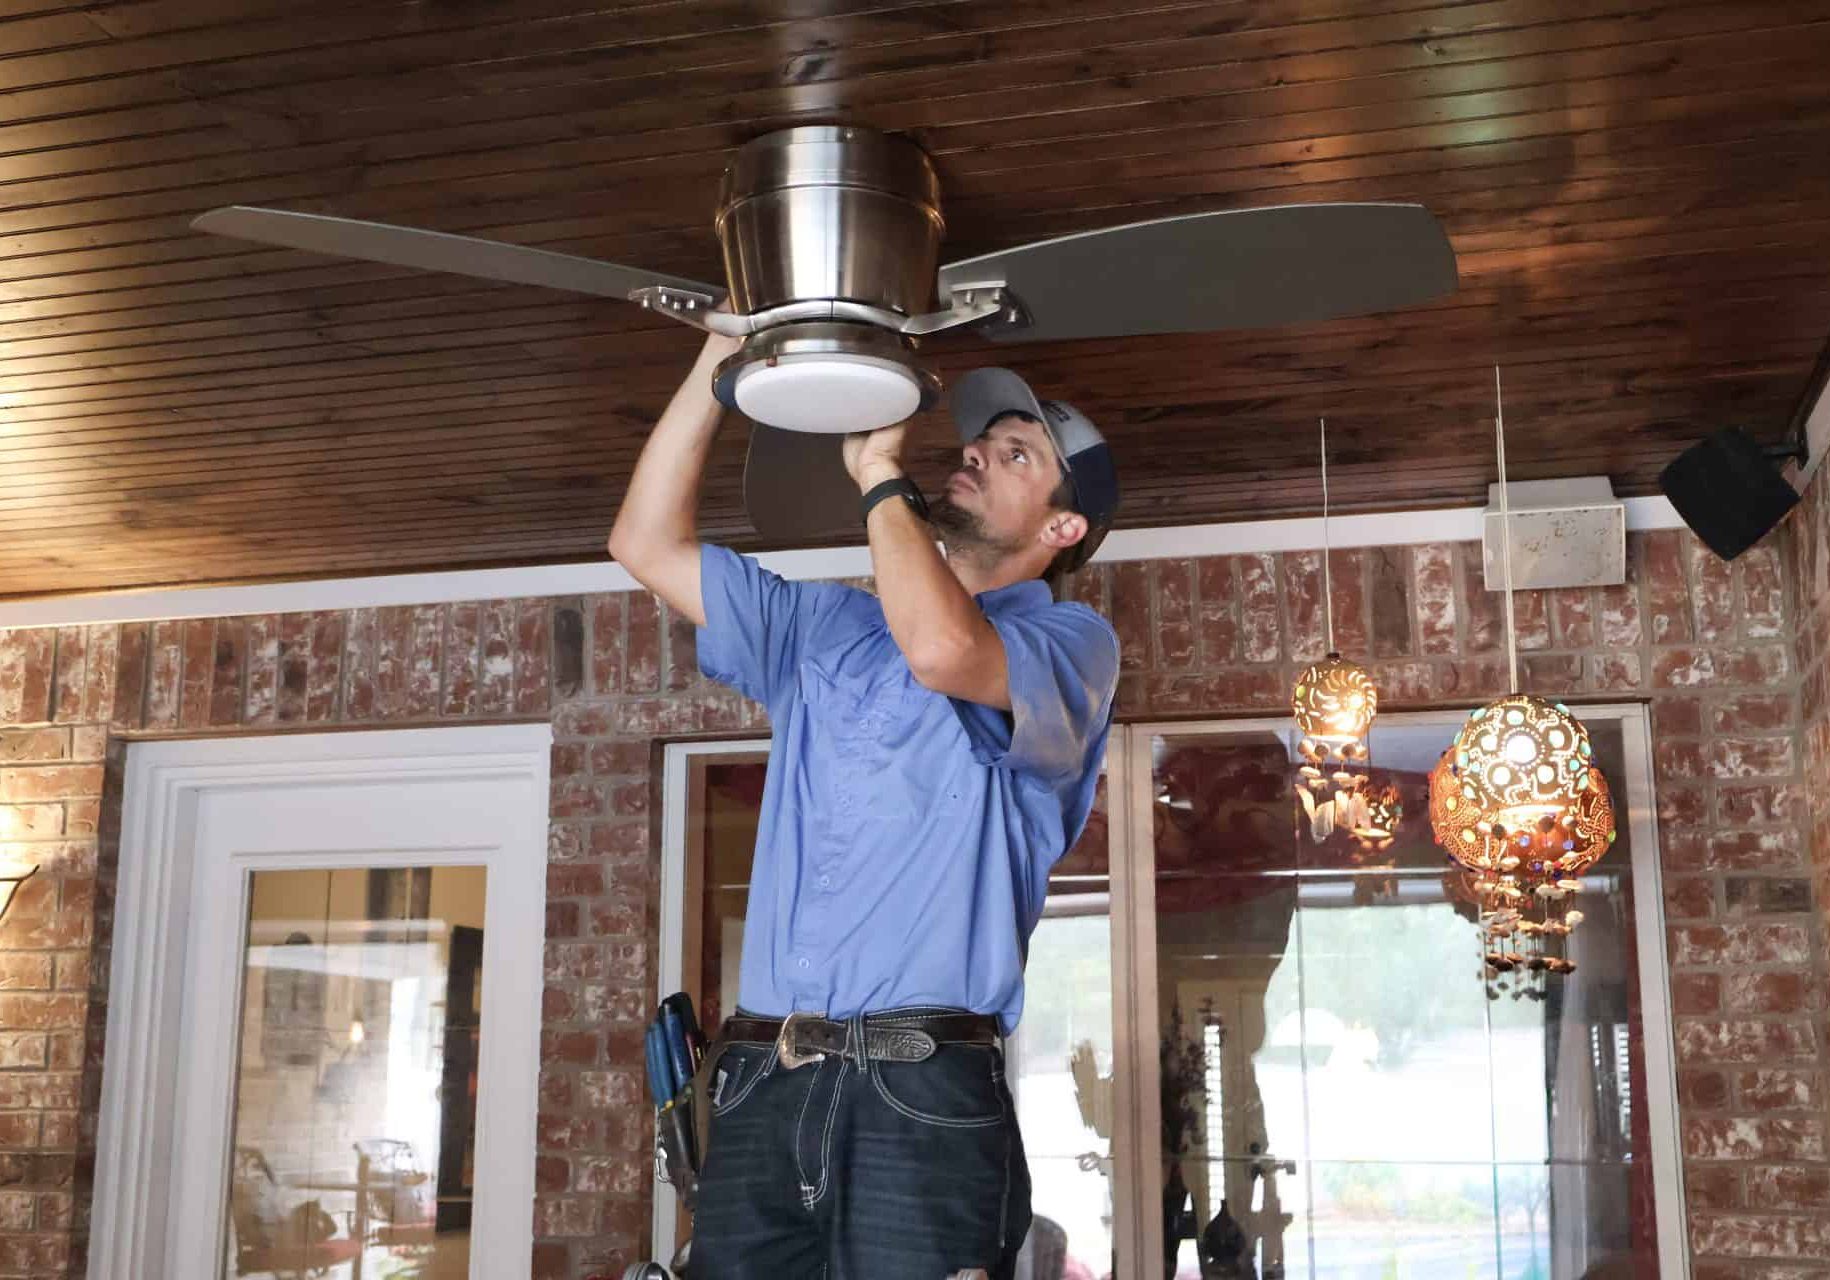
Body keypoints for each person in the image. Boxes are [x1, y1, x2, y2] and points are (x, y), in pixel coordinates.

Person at [607, 327, 1122, 1280]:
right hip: (764, 1076)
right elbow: (643, 542)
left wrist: (882, 478)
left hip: (920, 1086)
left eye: (1016, 455)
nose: (974, 453)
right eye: (979, 442)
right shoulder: (825, 627)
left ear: (1063, 531)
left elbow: (943, 650)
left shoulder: (1072, 644)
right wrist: (719, 358)